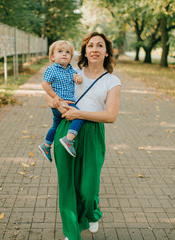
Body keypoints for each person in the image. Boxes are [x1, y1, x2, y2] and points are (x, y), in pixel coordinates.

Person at [45, 32, 121, 240]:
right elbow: (50, 91)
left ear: (106, 52)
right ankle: (72, 231)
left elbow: (111, 115)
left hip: (93, 132)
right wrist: (53, 101)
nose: (95, 49)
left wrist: (80, 113)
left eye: (100, 46)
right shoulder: (71, 70)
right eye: (90, 46)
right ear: (84, 51)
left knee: (88, 187)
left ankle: (92, 212)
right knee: (67, 183)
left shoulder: (112, 81)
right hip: (65, 130)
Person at [38, 40, 84, 162]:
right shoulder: (52, 69)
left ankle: (46, 146)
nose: (64, 54)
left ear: (70, 58)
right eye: (60, 51)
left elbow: (75, 77)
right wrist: (54, 96)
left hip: (65, 103)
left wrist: (78, 78)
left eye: (67, 52)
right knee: (79, 116)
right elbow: (45, 84)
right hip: (61, 103)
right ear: (53, 57)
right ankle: (69, 139)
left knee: (55, 125)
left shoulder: (70, 69)